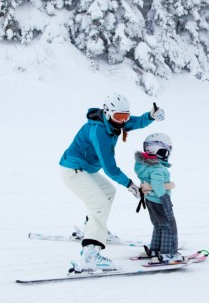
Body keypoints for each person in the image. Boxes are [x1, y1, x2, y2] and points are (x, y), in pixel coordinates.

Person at [59, 93, 166, 272]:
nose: (123, 121)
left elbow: (135, 122)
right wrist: (130, 185)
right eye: (119, 117)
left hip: (85, 169)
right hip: (73, 169)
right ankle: (90, 254)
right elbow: (109, 168)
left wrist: (150, 116)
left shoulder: (115, 123)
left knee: (108, 192)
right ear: (108, 113)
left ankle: (93, 228)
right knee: (99, 203)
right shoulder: (99, 131)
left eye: (125, 116)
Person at [134, 133, 183, 265]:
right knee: (168, 226)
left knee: (158, 225)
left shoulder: (143, 166)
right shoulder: (158, 169)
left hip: (150, 200)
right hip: (160, 200)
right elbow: (156, 185)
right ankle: (168, 253)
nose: (167, 154)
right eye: (166, 151)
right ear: (159, 150)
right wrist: (164, 197)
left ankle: (156, 250)